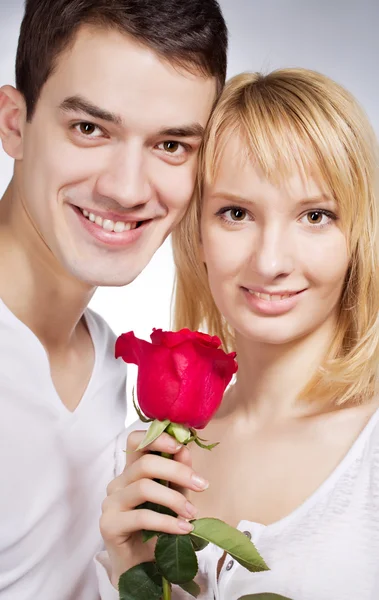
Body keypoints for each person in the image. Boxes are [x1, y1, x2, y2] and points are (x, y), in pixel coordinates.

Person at [100, 68, 379, 599]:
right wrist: (130, 568)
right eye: (236, 213)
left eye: (315, 215)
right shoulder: (145, 465)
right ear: (197, 233)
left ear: (358, 236)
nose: (271, 261)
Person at [0, 0, 227, 597]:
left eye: (172, 145)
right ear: (14, 123)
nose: (126, 188)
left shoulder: (103, 357)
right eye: (90, 128)